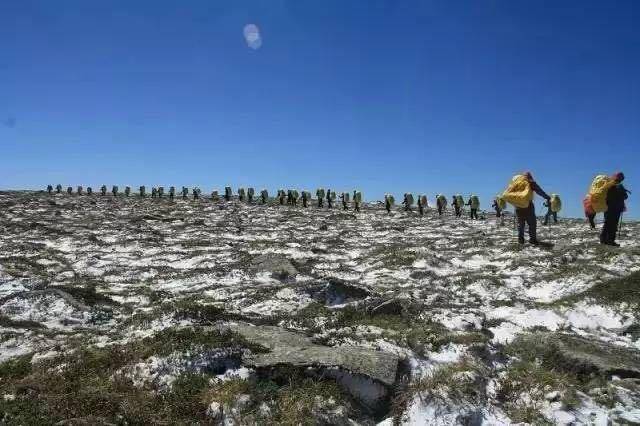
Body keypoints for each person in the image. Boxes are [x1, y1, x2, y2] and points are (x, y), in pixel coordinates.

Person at [516, 172, 551, 245]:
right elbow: (539, 191)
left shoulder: (517, 183)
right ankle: (532, 239)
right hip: (528, 206)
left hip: (518, 206)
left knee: (521, 224)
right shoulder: (530, 182)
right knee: (532, 223)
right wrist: (547, 197)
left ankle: (520, 240)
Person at [600, 172, 628, 247]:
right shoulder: (619, 186)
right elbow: (625, 196)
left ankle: (603, 240)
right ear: (620, 178)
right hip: (615, 209)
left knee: (607, 223)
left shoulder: (608, 185)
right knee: (613, 225)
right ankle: (610, 241)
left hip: (607, 207)